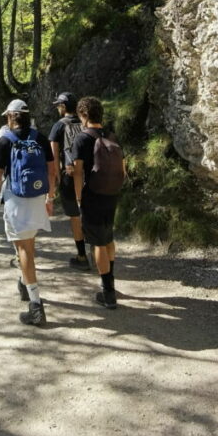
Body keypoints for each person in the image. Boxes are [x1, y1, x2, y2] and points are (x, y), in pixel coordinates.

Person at [0, 99, 56, 327]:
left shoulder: (6, 140)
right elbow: (52, 169)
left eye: (7, 116)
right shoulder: (40, 138)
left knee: (24, 248)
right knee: (27, 245)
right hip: (36, 196)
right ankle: (25, 282)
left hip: (16, 198)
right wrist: (50, 197)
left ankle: (36, 306)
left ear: (11, 117)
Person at [72, 96, 126, 310]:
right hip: (111, 193)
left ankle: (108, 293)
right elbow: (123, 168)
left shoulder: (82, 138)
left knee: (98, 242)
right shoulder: (112, 136)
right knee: (108, 236)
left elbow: (77, 172)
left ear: (84, 115)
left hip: (92, 194)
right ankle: (110, 281)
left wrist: (78, 197)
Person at [49, 91, 89, 271]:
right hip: (89, 174)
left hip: (70, 175)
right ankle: (97, 252)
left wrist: (57, 176)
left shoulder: (58, 126)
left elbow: (54, 154)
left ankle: (82, 256)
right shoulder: (85, 122)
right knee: (90, 213)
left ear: (64, 107)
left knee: (75, 217)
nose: (58, 108)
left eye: (59, 105)